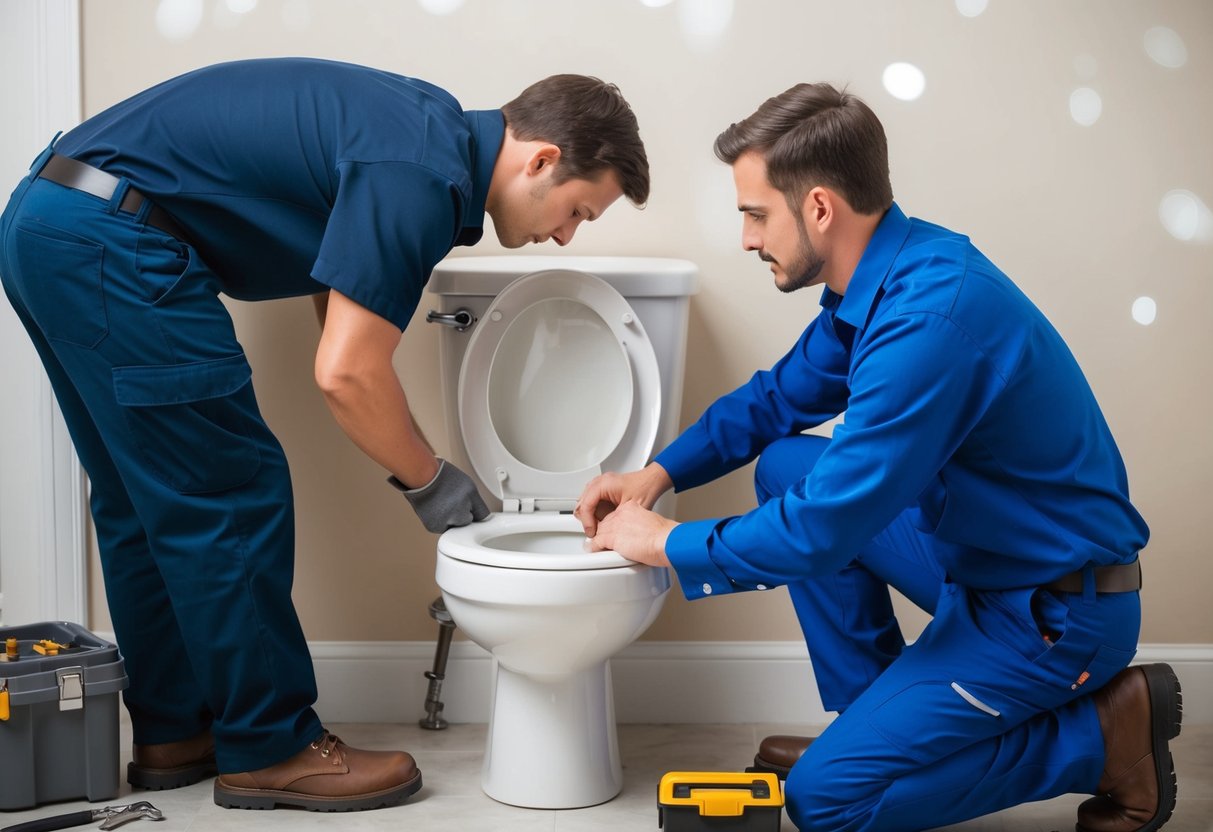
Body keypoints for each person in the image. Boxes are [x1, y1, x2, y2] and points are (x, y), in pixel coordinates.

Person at [0, 57, 648, 813]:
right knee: (231, 497)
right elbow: (344, 373)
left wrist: (393, 439)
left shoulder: (417, 133)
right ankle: (273, 747)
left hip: (53, 221)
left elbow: (340, 321)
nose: (567, 236)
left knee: (143, 504)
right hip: (115, 239)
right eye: (578, 210)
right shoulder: (422, 173)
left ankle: (175, 731)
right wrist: (427, 479)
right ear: (541, 160)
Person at [575, 82, 1180, 832]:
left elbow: (821, 532)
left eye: (755, 214)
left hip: (1052, 613)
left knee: (826, 801)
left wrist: (665, 542)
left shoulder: (927, 320)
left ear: (819, 207)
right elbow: (775, 401)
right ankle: (875, 726)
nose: (746, 238)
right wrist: (658, 474)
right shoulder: (883, 278)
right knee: (785, 467)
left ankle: (1100, 738)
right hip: (985, 562)